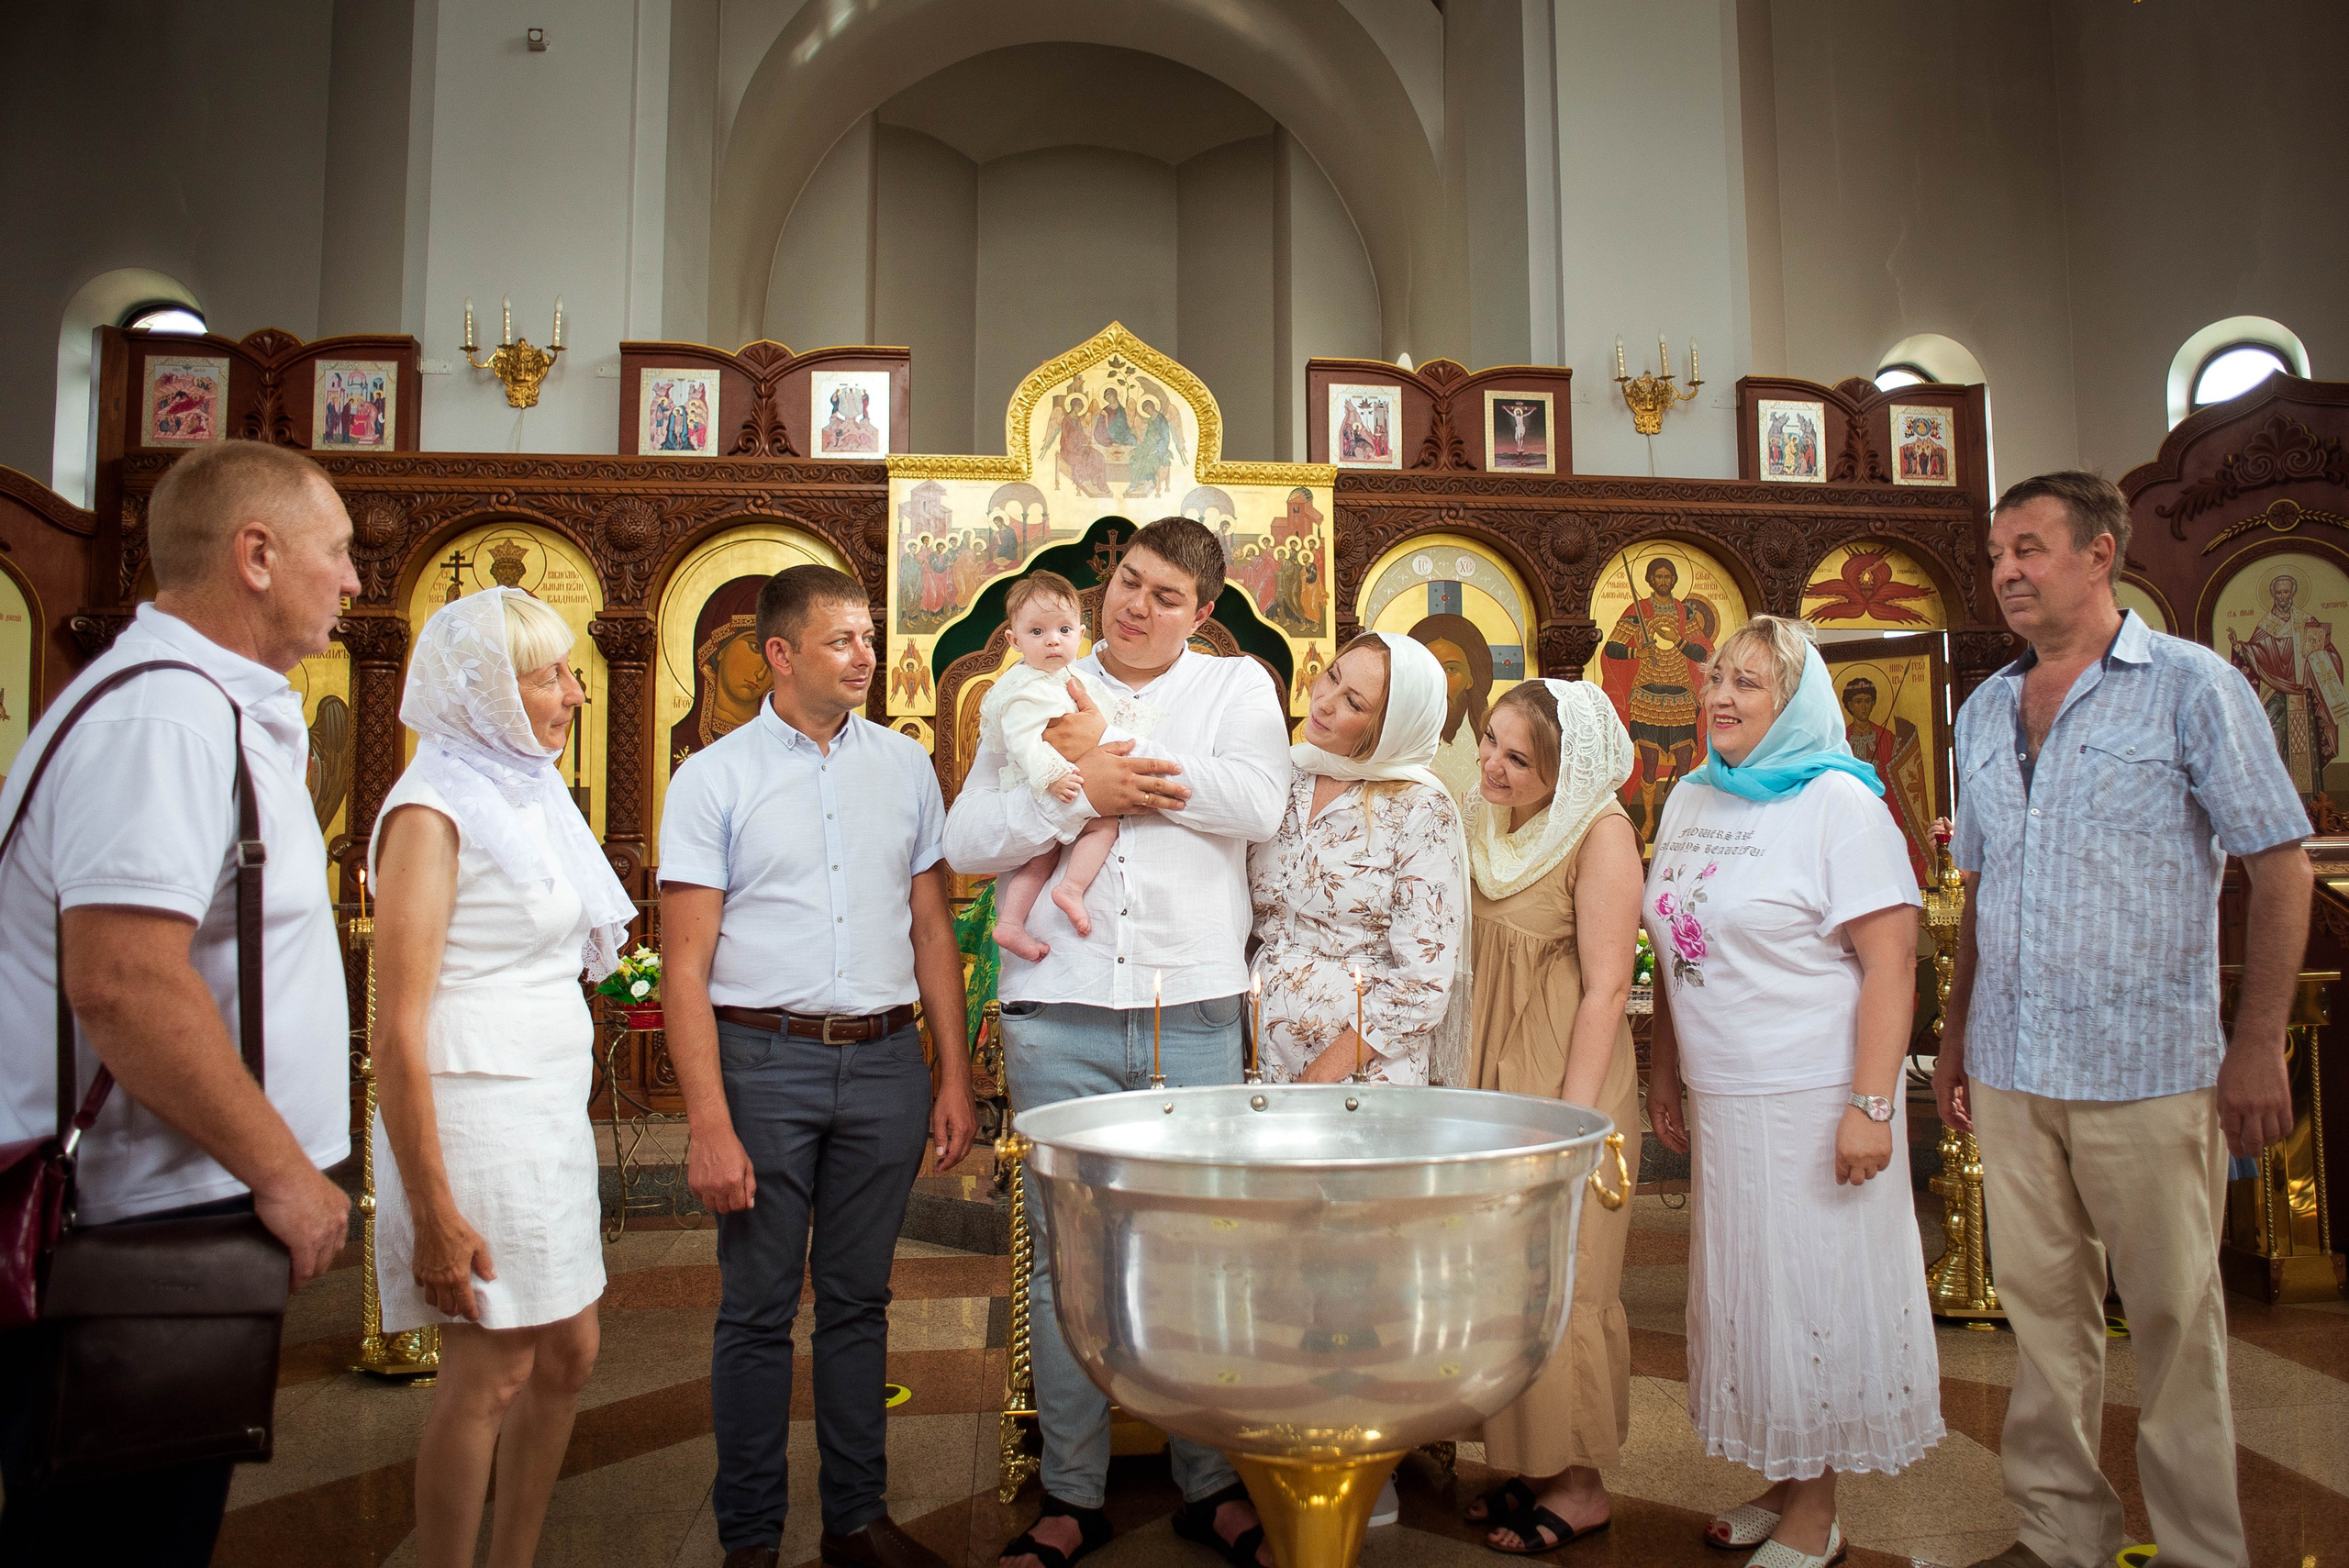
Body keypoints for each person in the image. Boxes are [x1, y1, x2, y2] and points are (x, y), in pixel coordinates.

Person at [1936, 473, 2310, 1568]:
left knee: (2175, 1327)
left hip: (2149, 1066)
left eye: (2031, 547)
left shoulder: (2192, 686)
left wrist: (2255, 1040)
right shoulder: (1980, 709)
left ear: (2100, 555)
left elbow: (2277, 867)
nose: (2006, 567)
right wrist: (1955, 1040)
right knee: (2042, 1327)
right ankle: (2059, 1537)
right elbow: (1981, 895)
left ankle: (2202, 1550)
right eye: (1998, 550)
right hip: (2012, 1064)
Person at [0, 440, 358, 1564]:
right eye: (337, 550)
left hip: (172, 1211)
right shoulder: (161, 718)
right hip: (135, 1224)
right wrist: (284, 1171)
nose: (353, 578)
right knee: (117, 1537)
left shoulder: (200, 702)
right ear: (256, 555)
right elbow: (123, 978)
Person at [943, 517, 1292, 1568]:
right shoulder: (1030, 685)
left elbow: (1260, 804)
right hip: (1058, 1007)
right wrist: (1075, 800)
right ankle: (1071, 1492)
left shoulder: (1236, 693)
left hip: (1189, 1009)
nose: (1136, 607)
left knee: (1194, 1250)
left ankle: (1207, 1481)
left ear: (1204, 612)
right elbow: (966, 841)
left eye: (1167, 596)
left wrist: (1125, 761)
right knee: (1066, 1260)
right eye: (1129, 582)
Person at [660, 564, 979, 1568]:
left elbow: (932, 927)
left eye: (870, 639)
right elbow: (685, 961)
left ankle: (856, 1521)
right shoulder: (713, 776)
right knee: (755, 1308)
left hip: (885, 1060)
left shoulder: (905, 767)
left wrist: (953, 1074)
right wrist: (707, 1120)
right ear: (780, 653)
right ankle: (749, 1540)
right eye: (843, 639)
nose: (866, 657)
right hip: (762, 1060)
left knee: (859, 1300)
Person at [1644, 615, 1942, 1568]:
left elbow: (1891, 964)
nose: (1720, 697)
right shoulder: (1692, 795)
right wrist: (1664, 1067)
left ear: (1795, 700)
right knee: (1750, 1296)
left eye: (1750, 683)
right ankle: (1782, 1475)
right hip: (1725, 1090)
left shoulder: (1838, 803)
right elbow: (1674, 938)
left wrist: (1871, 1104)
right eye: (1716, 677)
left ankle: (1817, 1510)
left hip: (1815, 1092)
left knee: (1811, 1294)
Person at [369, 588, 639, 1568]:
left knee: (569, 1352)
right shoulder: (432, 809)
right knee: (491, 1368)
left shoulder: (524, 789)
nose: (575, 693)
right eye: (550, 675)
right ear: (486, 689)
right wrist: (434, 1207)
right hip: (471, 1110)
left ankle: (512, 1557)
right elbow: (395, 1024)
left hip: (543, 1108)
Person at [1455, 679, 1643, 1555]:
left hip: (1566, 1078)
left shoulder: (1599, 833)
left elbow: (1609, 985)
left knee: (1569, 1276)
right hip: (1491, 1074)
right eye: (1489, 741)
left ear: (1565, 771)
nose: (1491, 763)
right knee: (1505, 1279)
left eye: (1517, 756)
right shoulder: (1488, 819)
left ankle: (1577, 1483)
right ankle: (1525, 1464)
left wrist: (1576, 1122)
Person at [1247, 630, 1467, 1088]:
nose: (1324, 701)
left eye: (1354, 703)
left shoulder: (1420, 808)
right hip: (1257, 1052)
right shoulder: (1280, 773)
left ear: (1391, 728)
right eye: (1331, 676)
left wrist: (1321, 1076)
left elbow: (1423, 983)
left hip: (1362, 1073)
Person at [984, 572, 1158, 961]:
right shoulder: (1025, 688)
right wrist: (1052, 776)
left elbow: (1103, 715)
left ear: (1080, 635)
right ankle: (1067, 891)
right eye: (1037, 631)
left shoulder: (1073, 678)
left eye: (1063, 629)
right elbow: (1023, 741)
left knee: (1043, 857)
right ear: (1014, 641)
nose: (1053, 640)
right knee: (1097, 827)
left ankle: (1013, 923)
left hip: (1073, 778)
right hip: (1045, 782)